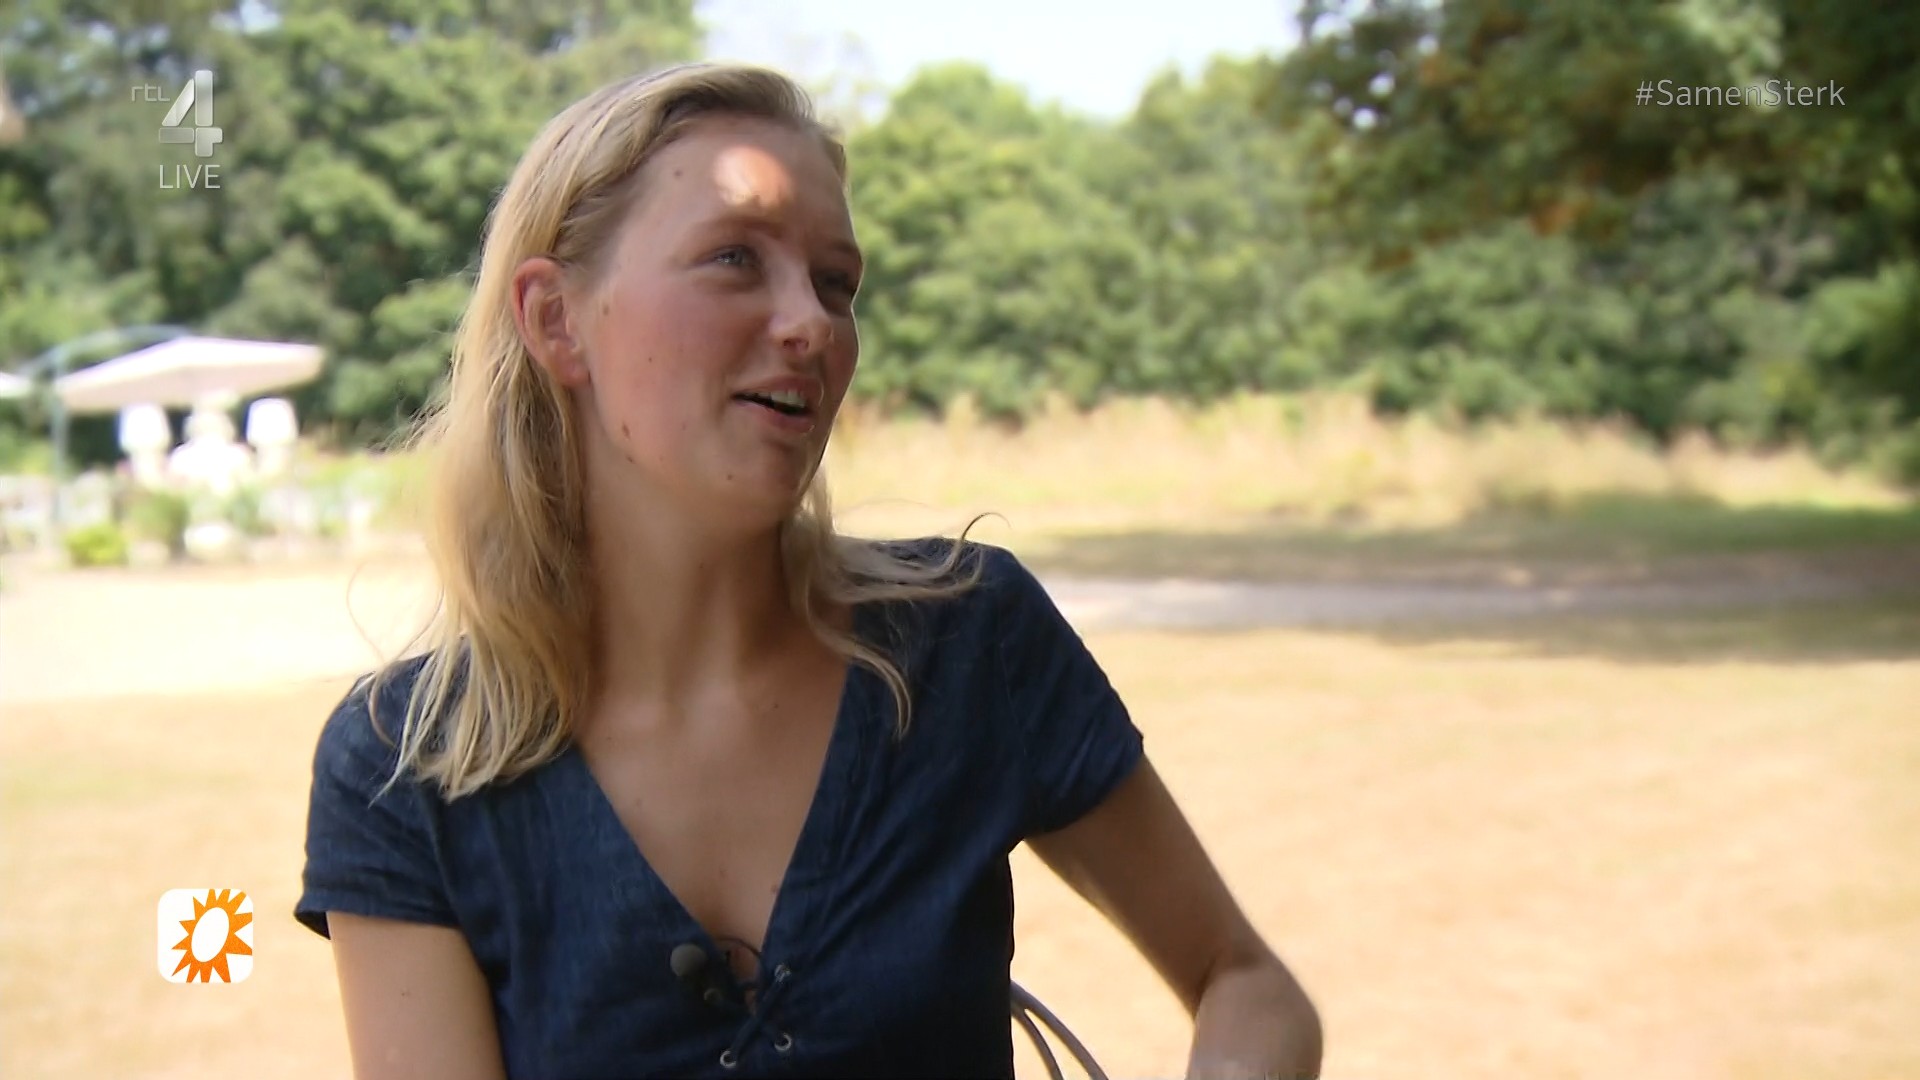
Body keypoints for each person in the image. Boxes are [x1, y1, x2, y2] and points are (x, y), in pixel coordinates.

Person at [294, 61, 1322, 1080]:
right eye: (735, 258)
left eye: (837, 284)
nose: (811, 325)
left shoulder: (971, 641)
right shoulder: (404, 769)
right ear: (557, 320)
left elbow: (1247, 986)